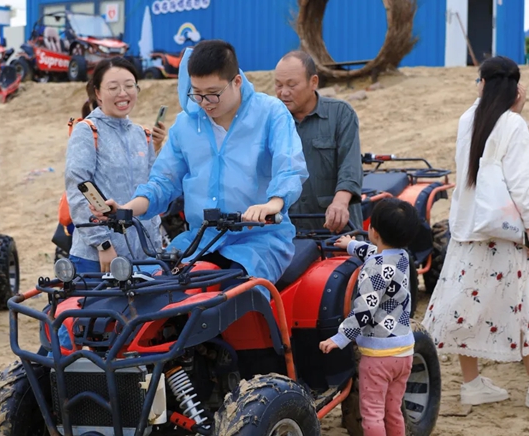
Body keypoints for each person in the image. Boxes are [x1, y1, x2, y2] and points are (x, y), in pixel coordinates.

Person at [91, 39, 309, 298]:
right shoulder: (185, 125)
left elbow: (290, 165)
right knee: (156, 293)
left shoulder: (271, 113)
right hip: (199, 241)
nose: (204, 102)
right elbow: (163, 183)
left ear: (236, 82)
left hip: (260, 241)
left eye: (213, 93)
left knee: (231, 299)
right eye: (196, 92)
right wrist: (126, 209)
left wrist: (273, 204)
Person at [422, 56, 529, 407]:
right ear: (514, 88)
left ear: (483, 84)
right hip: (505, 234)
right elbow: (521, 187)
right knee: (521, 308)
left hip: (469, 231)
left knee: (466, 309)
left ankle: (472, 384)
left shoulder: (468, 119)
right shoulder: (513, 125)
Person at [320, 197, 421, 436]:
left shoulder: (374, 269)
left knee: (372, 412)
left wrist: (340, 337)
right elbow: (377, 252)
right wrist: (353, 245)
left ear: (372, 231)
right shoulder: (402, 257)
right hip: (404, 350)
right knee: (393, 409)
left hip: (379, 355)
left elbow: (365, 310)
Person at [65, 56, 167, 273]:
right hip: (99, 258)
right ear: (98, 93)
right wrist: (102, 243)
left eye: (129, 86)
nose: (123, 93)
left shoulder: (142, 135)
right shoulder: (87, 131)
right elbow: (78, 191)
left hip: (145, 255)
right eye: (113, 87)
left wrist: (157, 243)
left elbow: (152, 189)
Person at [274, 50, 363, 232]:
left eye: (292, 85)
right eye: (278, 85)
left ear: (313, 82)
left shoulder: (340, 114)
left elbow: (350, 166)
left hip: (335, 231)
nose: (283, 92)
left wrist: (340, 202)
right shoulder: (271, 120)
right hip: (287, 232)